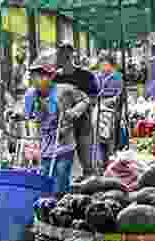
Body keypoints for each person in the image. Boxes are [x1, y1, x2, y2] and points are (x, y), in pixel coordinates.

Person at [24, 54, 91, 193]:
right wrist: (16, 115)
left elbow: (85, 100)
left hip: (65, 143)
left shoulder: (64, 90)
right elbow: (26, 114)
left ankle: (62, 202)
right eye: (33, 76)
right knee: (47, 178)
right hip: (46, 145)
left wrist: (74, 111)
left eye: (40, 76)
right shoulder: (31, 95)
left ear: (49, 77)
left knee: (61, 176)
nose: (36, 80)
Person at [54, 41, 99, 179]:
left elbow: (93, 97)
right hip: (63, 126)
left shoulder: (86, 75)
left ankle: (90, 181)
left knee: (86, 160)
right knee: (63, 163)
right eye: (61, 55)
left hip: (82, 122)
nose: (63, 59)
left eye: (66, 56)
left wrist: (78, 109)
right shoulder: (55, 77)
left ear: (72, 56)